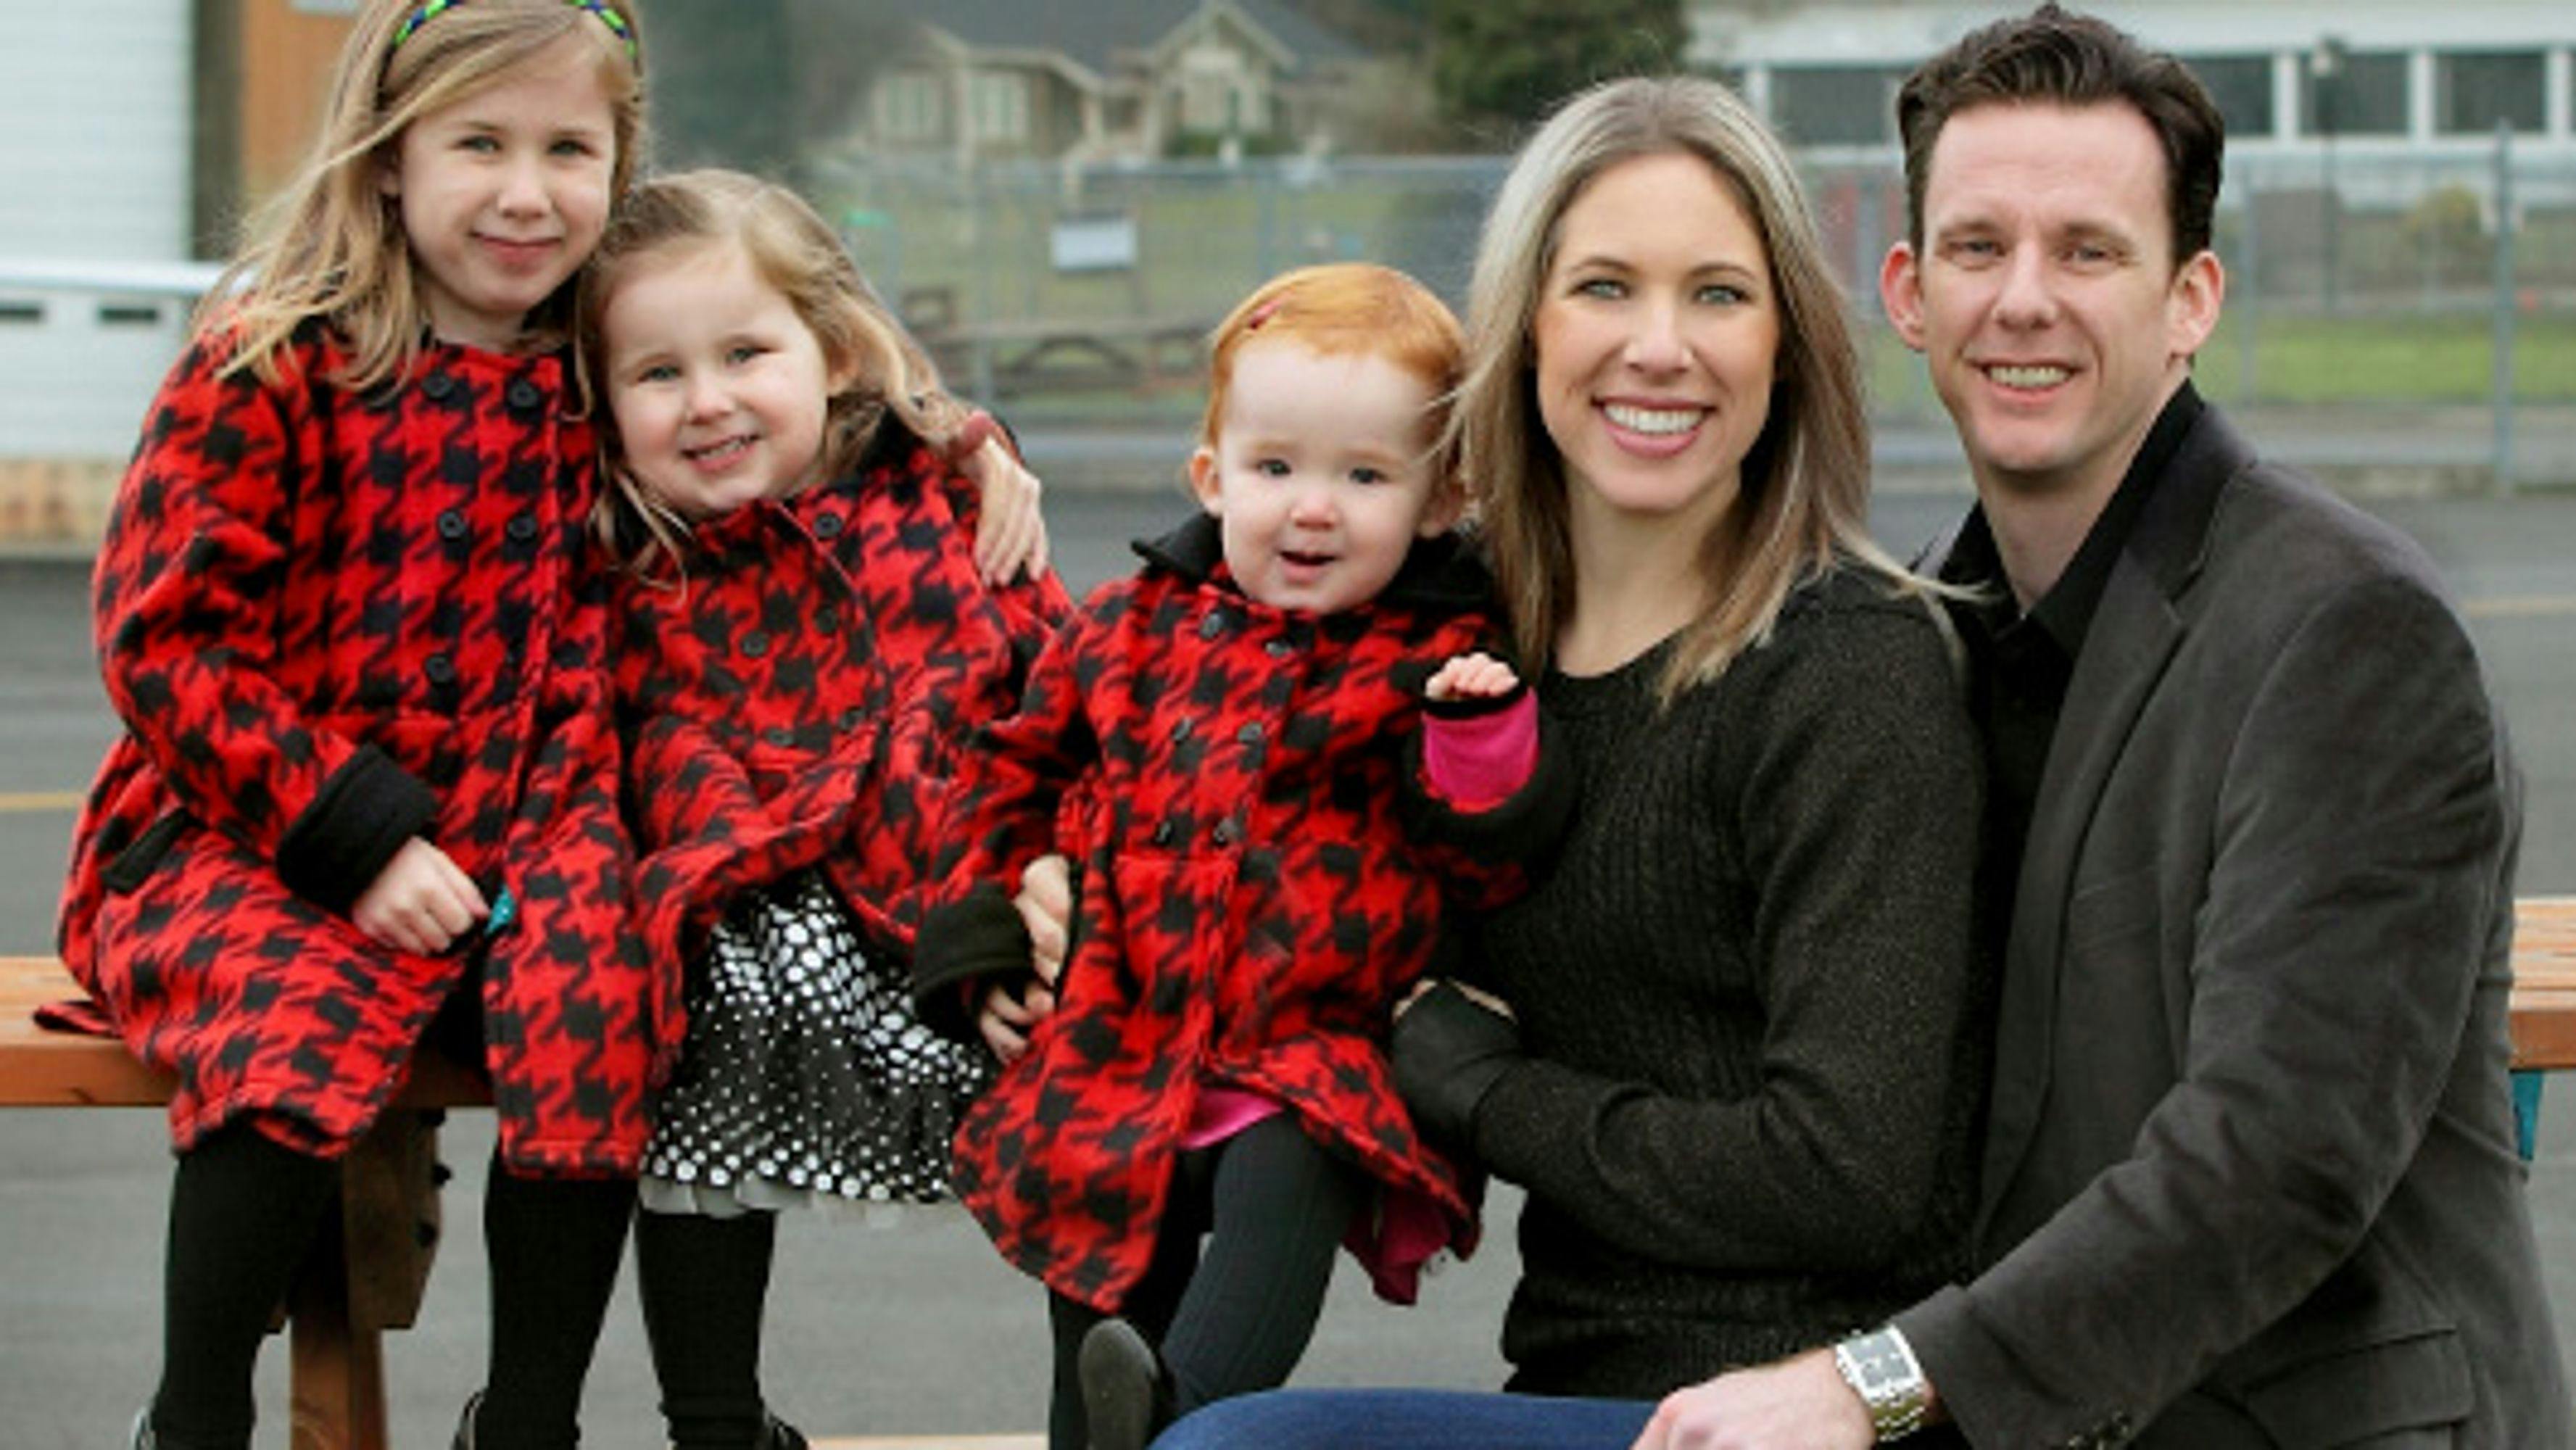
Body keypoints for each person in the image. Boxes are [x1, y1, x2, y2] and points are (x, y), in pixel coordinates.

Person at [1631, 7, 2572, 1448]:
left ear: (2190, 299)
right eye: (1976, 248)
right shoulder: (1924, 635)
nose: (2023, 301)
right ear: (1907, 290)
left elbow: (2280, 1151)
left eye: (2087, 251)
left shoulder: (2346, 633)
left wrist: (1874, 1381)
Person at [1144, 72, 1995, 1450]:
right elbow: (1182, 658)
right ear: (1524, 328)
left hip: (1806, 1411)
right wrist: (1050, 875)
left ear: (1786, 346)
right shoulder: (1455, 640)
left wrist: (1479, 1089)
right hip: (1575, 1391)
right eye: (1604, 287)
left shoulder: (1849, 669)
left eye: (1718, 295)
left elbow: (1849, 1173)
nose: (1658, 347)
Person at [56, 3, 657, 1448]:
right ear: (390, 158)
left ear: (620, 163)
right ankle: (196, 1412)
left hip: (528, 827)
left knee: (610, 997)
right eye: (481, 145)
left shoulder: (619, 359)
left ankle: (527, 1418)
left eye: (571, 148)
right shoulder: (275, 358)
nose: (529, 192)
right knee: (291, 1011)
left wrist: (963, 443)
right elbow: (165, 633)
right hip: (247, 823)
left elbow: (809, 377)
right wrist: (355, 835)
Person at [909, 261, 1573, 1450]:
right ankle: (1110, 1419)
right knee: (1101, 1264)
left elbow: (1484, 860)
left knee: (1292, 1161)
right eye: (1275, 469)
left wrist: (1480, 744)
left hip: (1307, 1042)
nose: (1311, 508)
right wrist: (989, 929)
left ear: (1437, 499)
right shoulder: (1122, 632)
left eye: (1363, 476)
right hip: (1120, 1027)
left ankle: (1187, 1414)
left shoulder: (1439, 656)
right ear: (1212, 477)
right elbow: (1003, 776)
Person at [579, 167, 1066, 1450]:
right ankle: (717, 1423)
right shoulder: (629, 564)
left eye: (746, 352)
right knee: (698, 1005)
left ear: (836, 352)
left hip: (970, 886)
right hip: (764, 910)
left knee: (1099, 1029)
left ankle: (1107, 1411)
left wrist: (1035, 889)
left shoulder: (941, 509)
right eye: (658, 374)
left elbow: (1062, 703)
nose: (709, 402)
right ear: (603, 402)